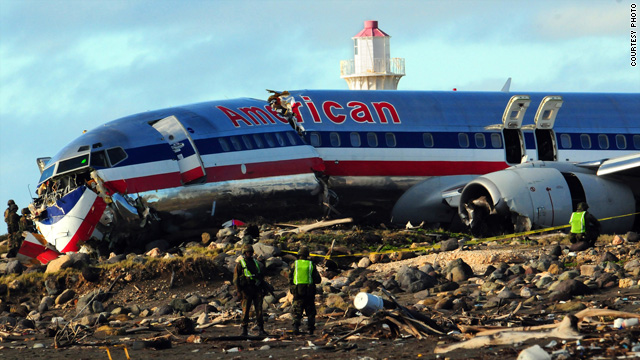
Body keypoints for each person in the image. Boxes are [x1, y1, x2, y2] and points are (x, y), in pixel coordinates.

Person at [233, 244, 267, 336]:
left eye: (251, 252)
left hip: (256, 289)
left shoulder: (256, 263)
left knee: (259, 310)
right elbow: (236, 279)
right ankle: (244, 330)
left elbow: (261, 277)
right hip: (246, 290)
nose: (249, 254)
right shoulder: (240, 264)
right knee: (245, 310)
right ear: (244, 253)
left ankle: (261, 329)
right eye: (247, 252)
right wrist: (238, 291)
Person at [289, 246, 321, 335]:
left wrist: (292, 288)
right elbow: (318, 280)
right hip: (309, 293)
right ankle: (310, 329)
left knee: (296, 311)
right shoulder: (311, 265)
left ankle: (296, 327)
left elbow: (290, 278)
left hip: (297, 292)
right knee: (310, 312)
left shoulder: (294, 264)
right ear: (307, 255)